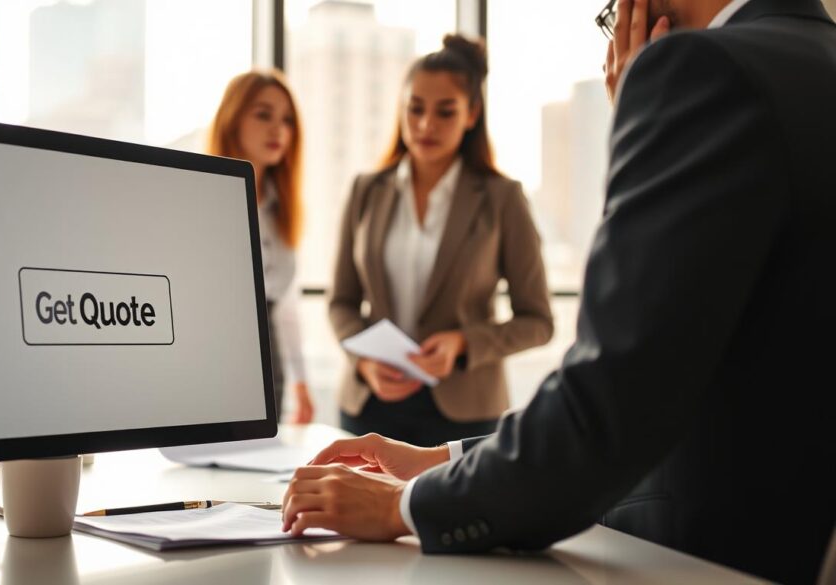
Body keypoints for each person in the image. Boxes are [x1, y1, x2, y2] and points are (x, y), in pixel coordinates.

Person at [282, 1, 836, 583]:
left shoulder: (701, 70)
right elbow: (693, 350)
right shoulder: (811, 55)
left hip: (700, 548)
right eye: (414, 109)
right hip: (767, 525)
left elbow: (614, 392)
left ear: (470, 116)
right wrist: (442, 460)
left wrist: (402, 504)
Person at [329, 34, 553, 447]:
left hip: (464, 413)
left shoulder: (502, 198)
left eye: (445, 112)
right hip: (370, 404)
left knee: (451, 515)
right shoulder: (366, 190)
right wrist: (363, 361)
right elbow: (340, 302)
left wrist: (464, 343)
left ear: (472, 114)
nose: (426, 125)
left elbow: (538, 322)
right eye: (415, 109)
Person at [208, 70, 314, 424]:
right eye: (263, 114)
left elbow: (284, 306)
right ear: (233, 119)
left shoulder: (283, 210)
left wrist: (302, 381)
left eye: (287, 120)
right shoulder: (204, 199)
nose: (278, 130)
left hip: (271, 359)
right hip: (217, 347)